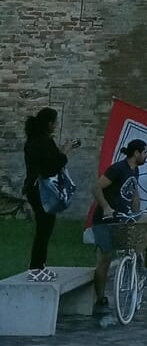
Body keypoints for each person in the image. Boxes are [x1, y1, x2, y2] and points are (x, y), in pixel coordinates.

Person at [91, 139, 147, 312]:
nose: (146, 156)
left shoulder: (134, 170)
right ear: (136, 153)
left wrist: (136, 214)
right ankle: (100, 299)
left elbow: (134, 194)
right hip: (105, 220)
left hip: (123, 218)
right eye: (145, 152)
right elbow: (96, 187)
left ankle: (135, 258)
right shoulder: (118, 169)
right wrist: (106, 207)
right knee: (104, 259)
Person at [22, 107, 79, 281]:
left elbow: (47, 160)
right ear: (49, 123)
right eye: (54, 123)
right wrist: (66, 151)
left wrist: (60, 150)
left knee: (45, 226)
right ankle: (35, 268)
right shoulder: (43, 142)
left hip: (34, 188)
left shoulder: (35, 141)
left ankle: (40, 265)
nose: (56, 126)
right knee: (44, 228)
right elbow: (52, 166)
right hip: (41, 190)